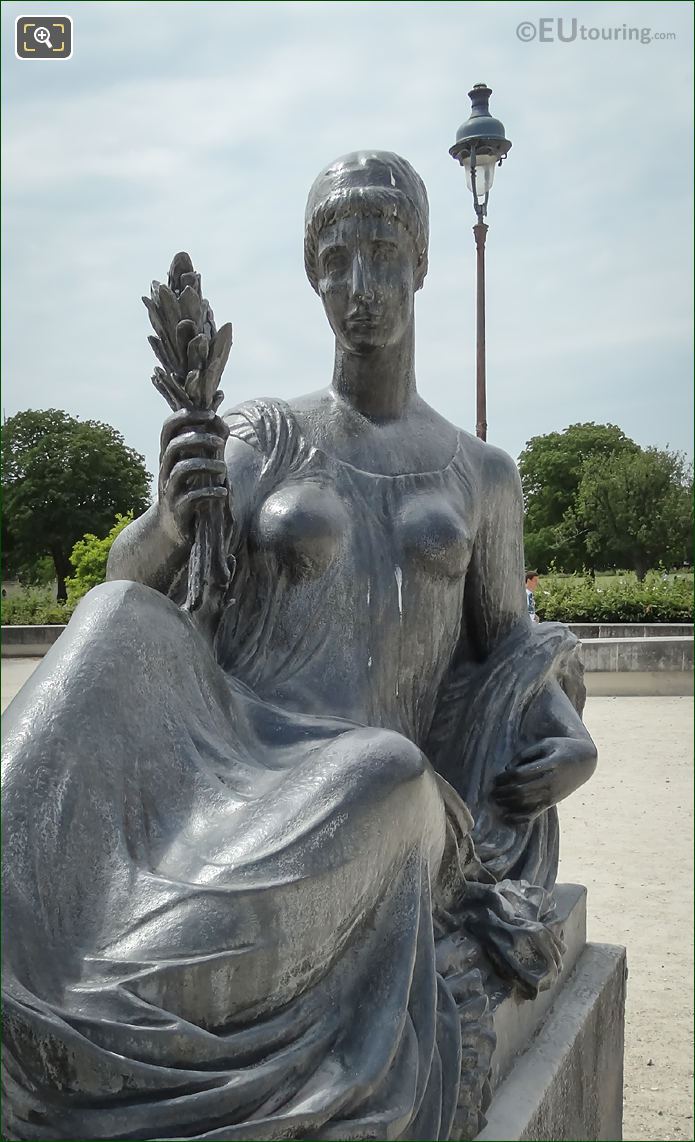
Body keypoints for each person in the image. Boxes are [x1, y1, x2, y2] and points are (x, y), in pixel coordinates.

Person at [2, 153, 597, 1142]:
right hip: (229, 756)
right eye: (334, 261)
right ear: (310, 275)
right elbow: (130, 589)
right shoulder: (261, 434)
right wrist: (161, 523)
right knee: (112, 621)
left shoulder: (479, 475)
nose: (358, 289)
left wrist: (564, 738)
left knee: (379, 766)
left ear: (420, 263)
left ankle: (95, 1025)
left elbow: (514, 651)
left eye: (380, 256)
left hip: (378, 784)